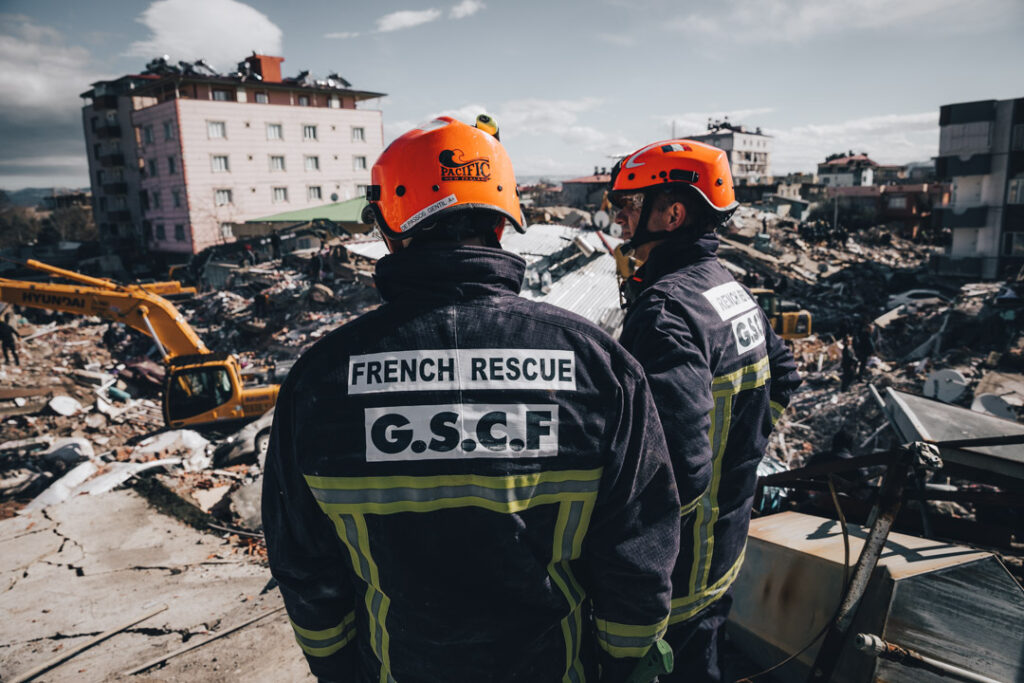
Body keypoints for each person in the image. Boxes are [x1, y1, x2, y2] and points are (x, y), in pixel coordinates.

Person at [262, 116, 681, 683]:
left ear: (390, 228)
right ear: (504, 226)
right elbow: (637, 550)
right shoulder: (598, 365)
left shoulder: (321, 378)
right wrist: (623, 663)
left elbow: (304, 565)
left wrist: (339, 671)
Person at [608, 139, 802, 682]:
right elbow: (783, 380)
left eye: (630, 205)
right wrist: (742, 458)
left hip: (679, 575)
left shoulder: (668, 310)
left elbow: (670, 474)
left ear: (673, 213)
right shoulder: (726, 288)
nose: (621, 220)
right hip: (724, 548)